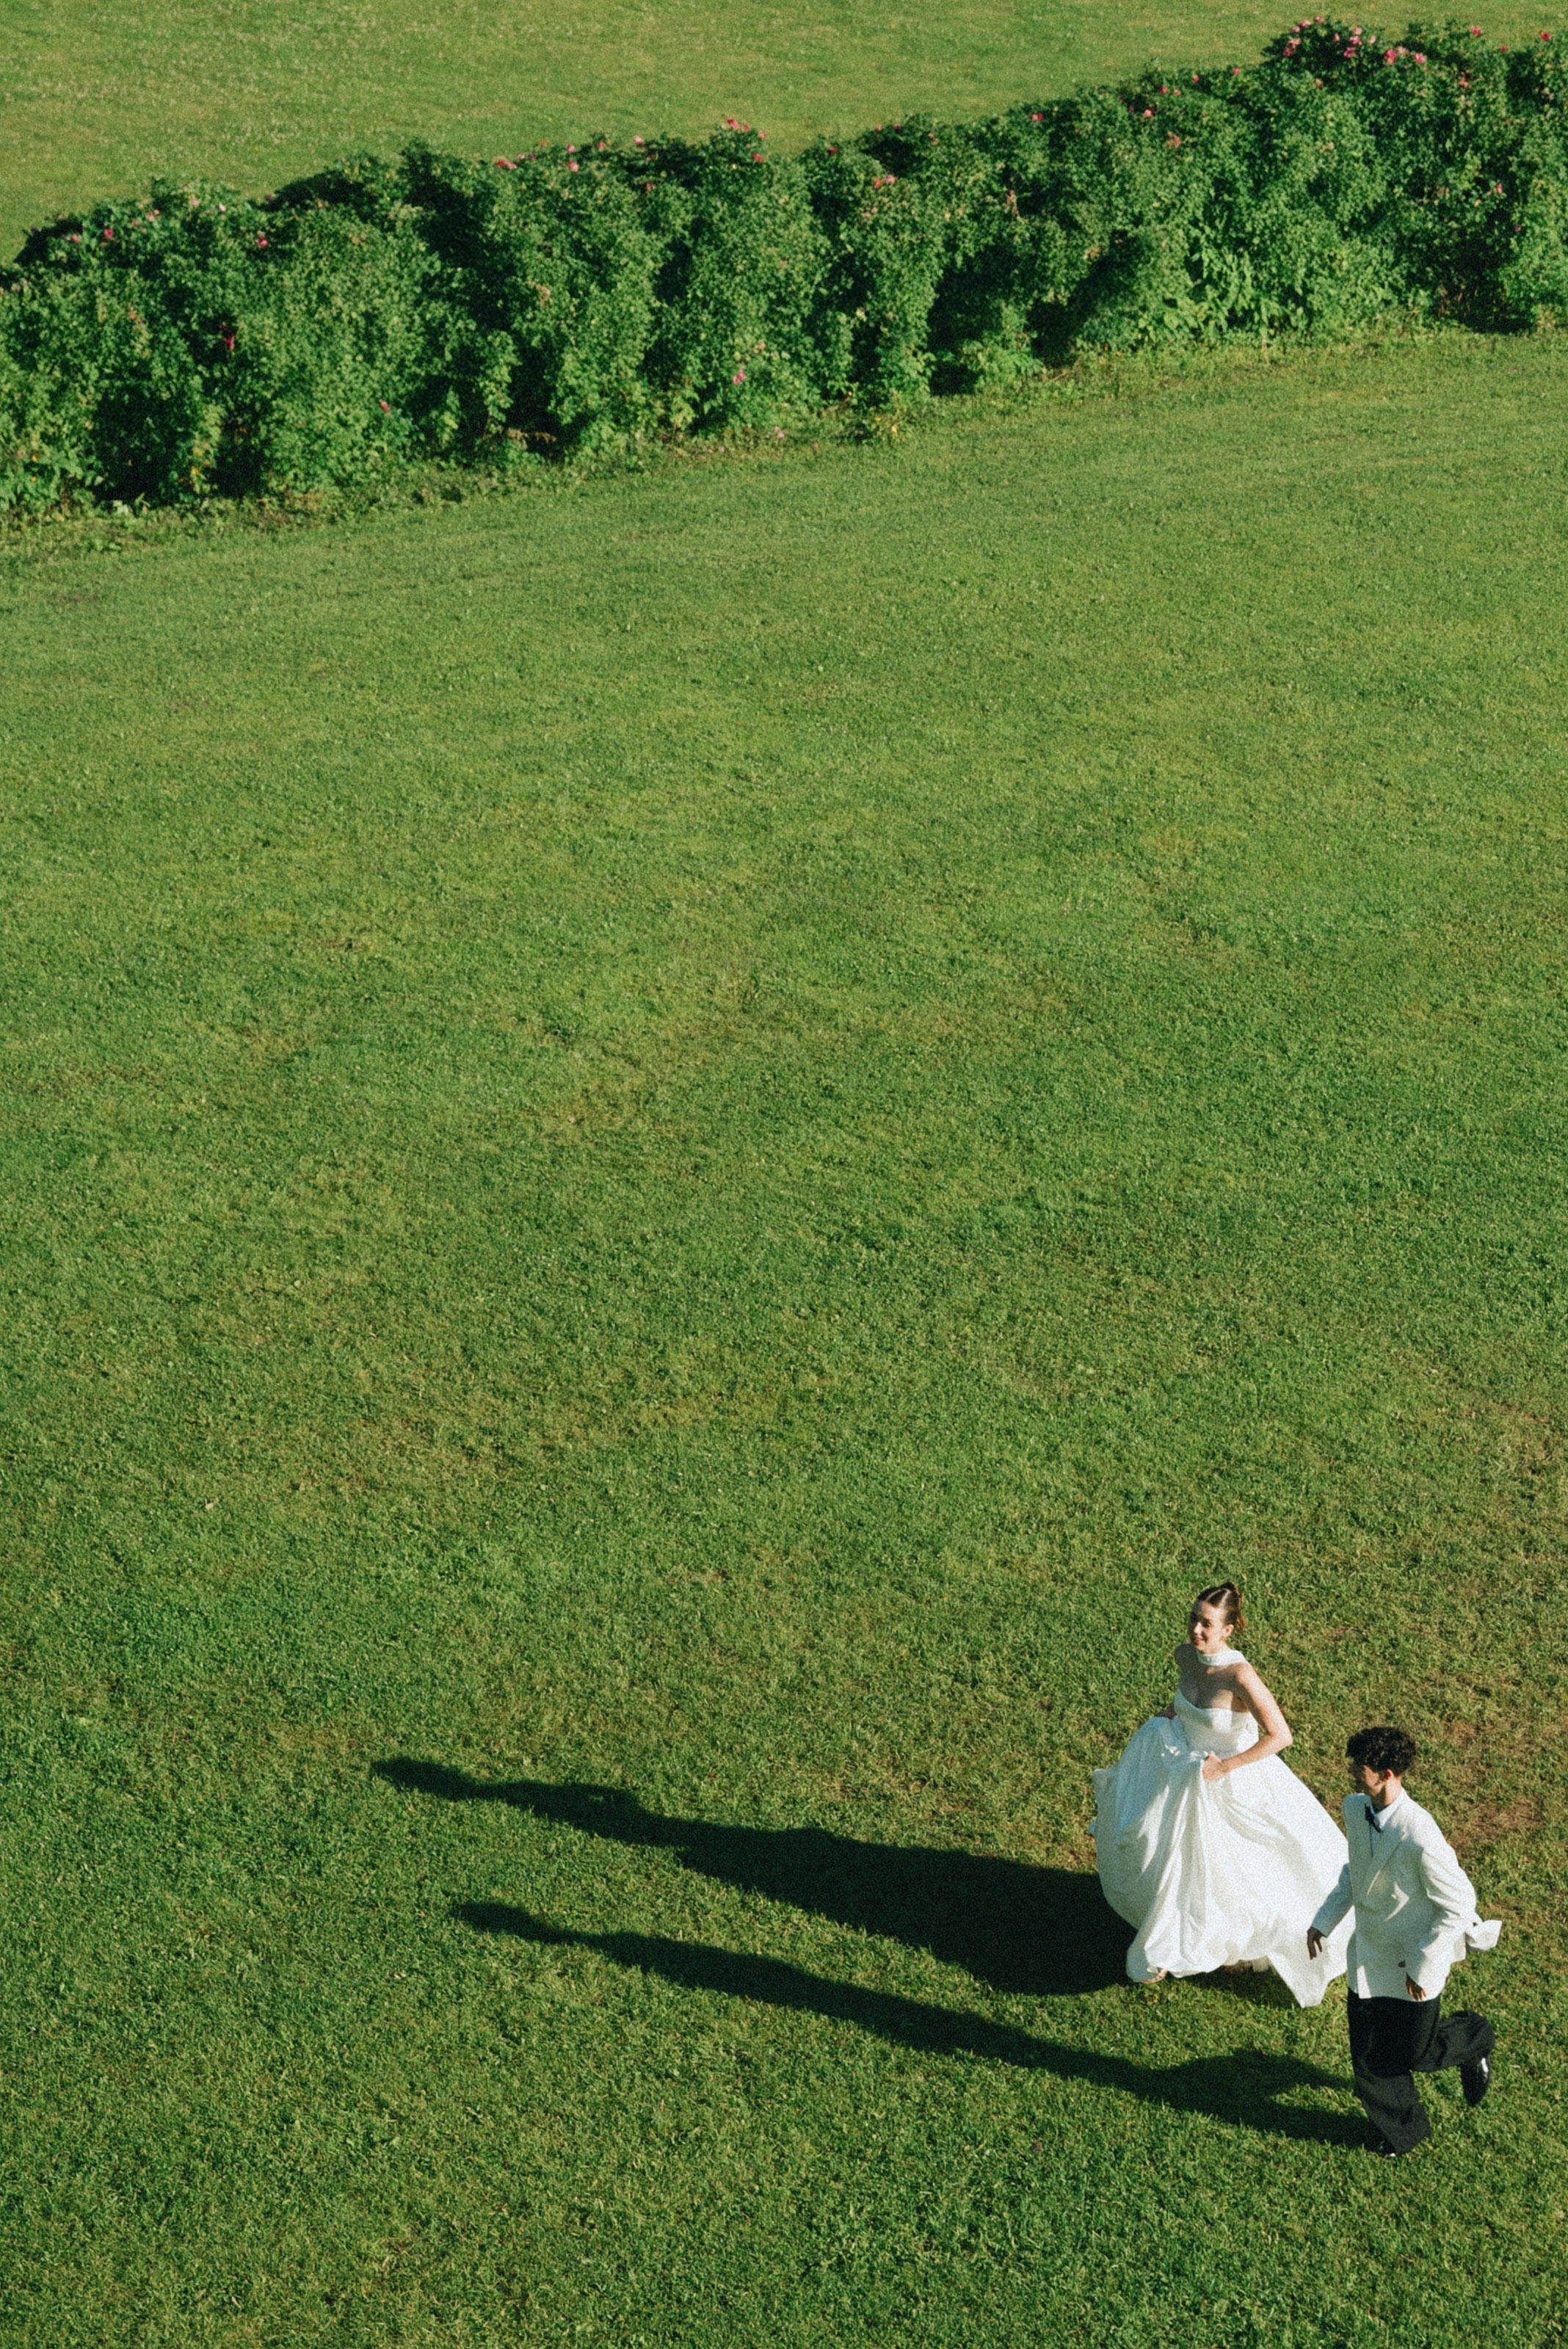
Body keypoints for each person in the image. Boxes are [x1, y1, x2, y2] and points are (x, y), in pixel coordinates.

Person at [1092, 1582, 1352, 2002]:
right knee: (1173, 1854)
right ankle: (1174, 1923)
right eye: (1194, 1618)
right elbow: (1186, 1702)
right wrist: (1168, 1718)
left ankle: (1232, 1943)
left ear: (1229, 1630)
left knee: (1236, 1868)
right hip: (1183, 1770)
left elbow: (1280, 1735)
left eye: (1207, 1624)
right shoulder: (1185, 1656)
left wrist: (1224, 1767)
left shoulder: (1239, 1675)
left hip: (1231, 1779)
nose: (1196, 1630)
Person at [1307, 1725, 1500, 2157]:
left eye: (1361, 1766)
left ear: (1388, 1773)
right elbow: (1354, 1872)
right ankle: (1403, 2133)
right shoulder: (1355, 1808)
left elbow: (1459, 1903)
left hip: (1412, 1965)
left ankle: (1474, 2036)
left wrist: (1424, 1966)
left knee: (1418, 2053)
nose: (1353, 1771)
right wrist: (1324, 1920)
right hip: (1370, 1956)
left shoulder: (1420, 1835)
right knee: (1372, 2060)